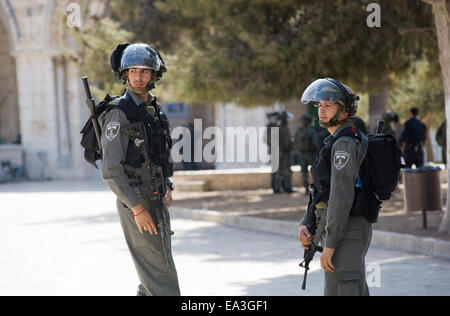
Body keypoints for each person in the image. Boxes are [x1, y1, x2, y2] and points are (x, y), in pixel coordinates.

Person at [101, 43, 180, 296]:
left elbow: (159, 154)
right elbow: (111, 170)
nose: (138, 76)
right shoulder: (119, 114)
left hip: (155, 198)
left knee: (158, 266)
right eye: (133, 71)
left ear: (154, 76)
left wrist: (167, 184)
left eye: (145, 71)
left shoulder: (153, 110)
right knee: (161, 275)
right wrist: (137, 209)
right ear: (125, 74)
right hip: (136, 202)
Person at [298, 78, 372, 296]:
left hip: (346, 231)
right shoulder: (334, 140)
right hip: (339, 230)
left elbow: (341, 198)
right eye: (319, 105)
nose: (322, 111)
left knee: (345, 288)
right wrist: (306, 222)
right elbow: (324, 192)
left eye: (328, 105)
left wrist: (330, 245)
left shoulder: (345, 144)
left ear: (345, 111)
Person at [294, 114, 320, 194]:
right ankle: (316, 188)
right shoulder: (311, 131)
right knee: (315, 172)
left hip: (301, 154)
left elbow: (294, 142)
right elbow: (316, 143)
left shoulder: (299, 131)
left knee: (304, 173)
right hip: (311, 154)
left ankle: (306, 189)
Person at [274, 111, 296, 193]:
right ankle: (286, 188)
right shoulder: (283, 128)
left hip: (280, 152)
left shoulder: (280, 127)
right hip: (284, 152)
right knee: (286, 171)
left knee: (280, 171)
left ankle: (279, 188)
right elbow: (287, 141)